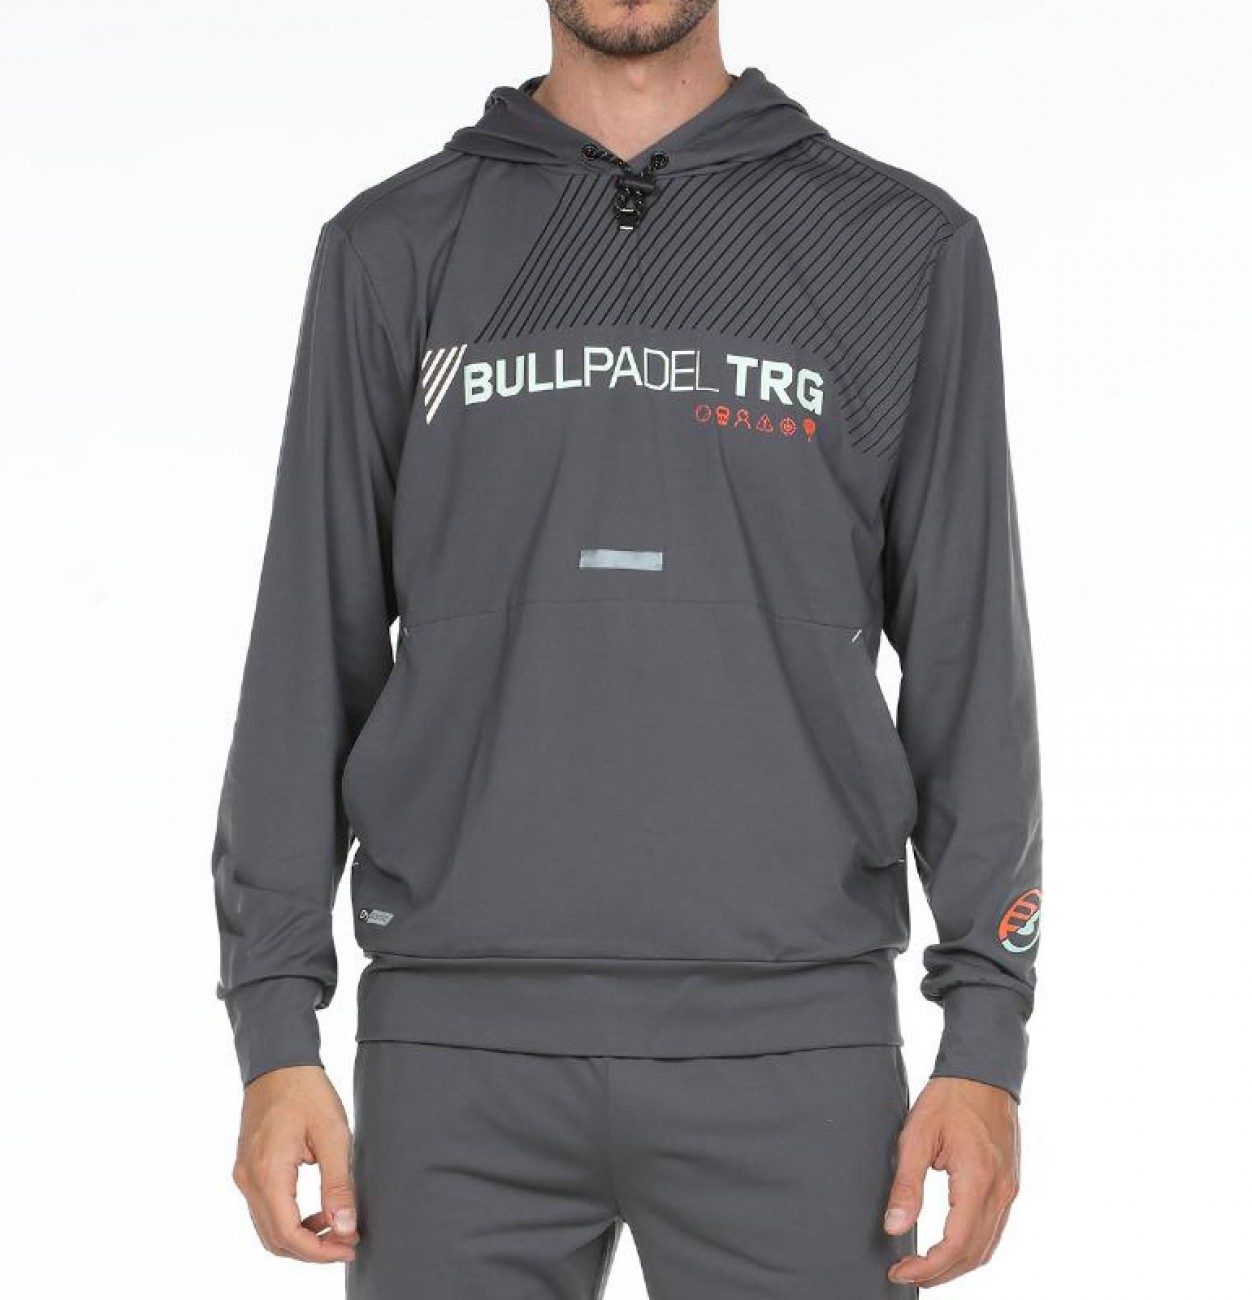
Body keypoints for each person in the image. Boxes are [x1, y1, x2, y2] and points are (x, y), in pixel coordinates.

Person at [212, 3, 1043, 1296]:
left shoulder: (901, 248)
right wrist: (275, 1028)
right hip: (456, 1064)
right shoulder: (392, 248)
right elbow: (305, 654)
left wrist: (984, 1037)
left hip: (795, 1055)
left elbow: (969, 666)